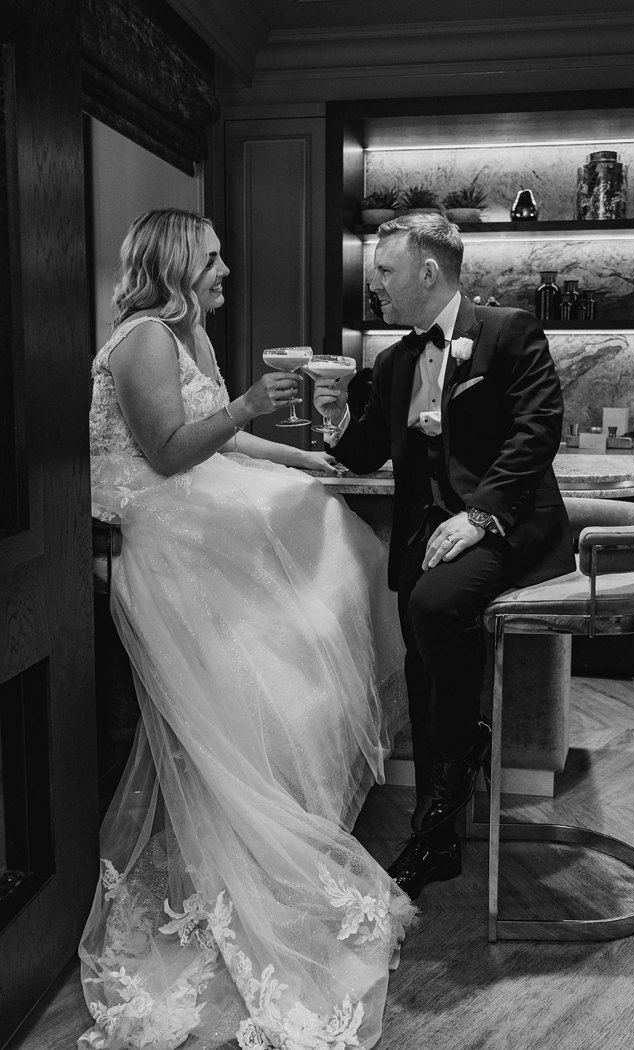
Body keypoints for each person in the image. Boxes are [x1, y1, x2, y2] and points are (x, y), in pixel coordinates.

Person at [79, 208, 415, 1050]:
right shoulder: (145, 337)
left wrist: (307, 460)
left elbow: (229, 447)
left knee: (335, 534)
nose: (227, 273)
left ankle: (295, 769)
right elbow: (166, 449)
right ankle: (260, 814)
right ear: (182, 262)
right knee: (305, 588)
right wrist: (247, 404)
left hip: (197, 505)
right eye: (217, 260)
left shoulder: (188, 336)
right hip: (158, 529)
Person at [313, 213, 574, 902]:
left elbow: (537, 429)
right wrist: (333, 414)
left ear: (427, 272)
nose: (377, 287)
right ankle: (440, 840)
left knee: (434, 606)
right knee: (424, 672)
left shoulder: (510, 330)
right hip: (421, 541)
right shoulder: (394, 362)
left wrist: (480, 515)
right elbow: (364, 449)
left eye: (385, 272)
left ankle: (455, 777)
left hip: (505, 529)